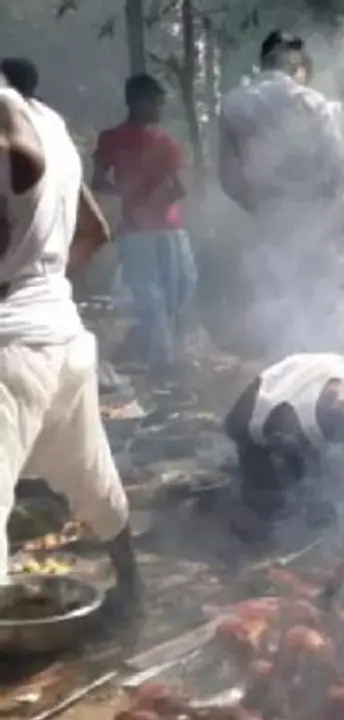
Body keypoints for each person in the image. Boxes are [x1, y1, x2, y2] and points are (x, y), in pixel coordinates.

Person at [0, 76, 141, 611]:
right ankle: (133, 592)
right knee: (93, 482)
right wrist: (45, 284)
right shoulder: (54, 125)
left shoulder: (9, 118)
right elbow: (95, 231)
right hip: (59, 336)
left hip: (11, 347)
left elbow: (18, 156)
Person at [217, 30, 344, 356]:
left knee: (272, 307)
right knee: (313, 310)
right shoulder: (314, 103)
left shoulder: (235, 104)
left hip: (267, 217)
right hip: (314, 221)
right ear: (295, 63)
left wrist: (258, 204)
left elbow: (229, 178)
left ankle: (279, 389)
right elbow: (338, 170)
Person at [222, 351, 344, 542]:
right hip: (289, 372)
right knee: (264, 492)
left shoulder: (335, 416)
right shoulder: (240, 424)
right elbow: (288, 468)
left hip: (339, 372)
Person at [92, 74, 196, 378]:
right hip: (141, 231)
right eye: (157, 102)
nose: (161, 108)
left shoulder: (165, 142)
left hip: (168, 229)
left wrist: (146, 198)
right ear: (138, 101)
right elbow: (98, 182)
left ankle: (169, 355)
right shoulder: (113, 139)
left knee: (178, 291)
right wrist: (131, 198)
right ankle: (161, 363)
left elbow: (180, 187)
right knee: (151, 296)